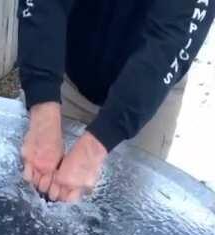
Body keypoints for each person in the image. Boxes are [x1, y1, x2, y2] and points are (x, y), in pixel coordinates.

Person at [18, 0, 215, 202]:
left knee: (128, 209)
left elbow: (170, 40)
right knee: (29, 196)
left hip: (152, 93)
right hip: (65, 72)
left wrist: (100, 140)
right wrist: (43, 105)